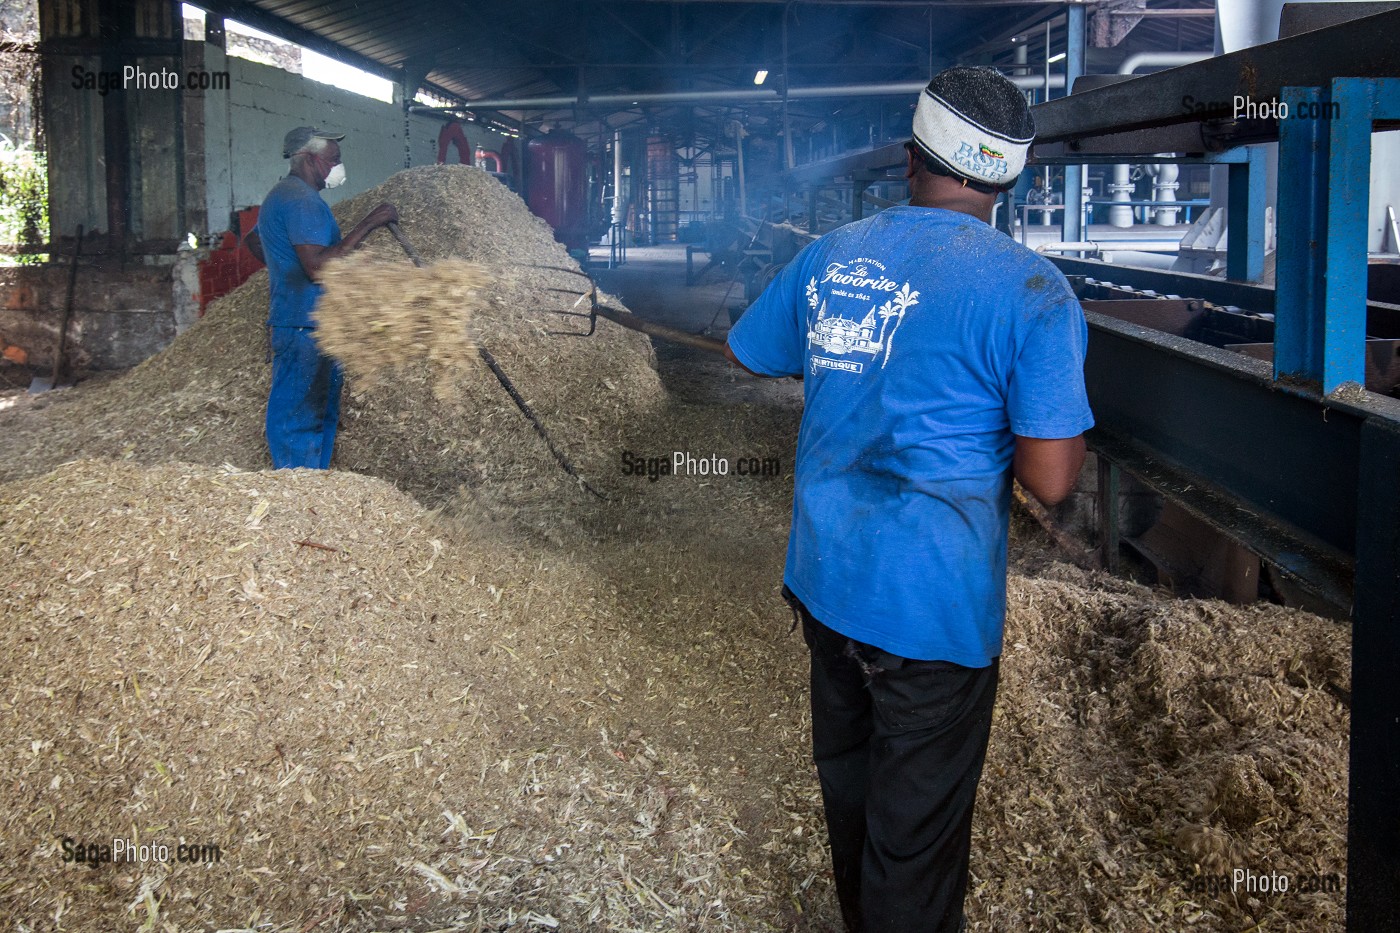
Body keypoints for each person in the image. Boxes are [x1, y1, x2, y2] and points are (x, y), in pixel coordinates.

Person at [723, 66, 1093, 932]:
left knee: (850, 790)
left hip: (827, 581)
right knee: (915, 842)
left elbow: (748, 352)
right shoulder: (1034, 292)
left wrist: (847, 356)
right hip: (932, 608)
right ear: (1009, 177)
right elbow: (1051, 478)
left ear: (909, 155)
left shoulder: (834, 253)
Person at [244, 126, 398, 469]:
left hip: (305, 320)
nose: (338, 167)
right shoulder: (302, 201)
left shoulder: (281, 195)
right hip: (305, 325)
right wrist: (369, 223)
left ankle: (313, 483)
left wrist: (285, 269)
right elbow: (317, 268)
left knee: (314, 406)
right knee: (301, 412)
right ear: (310, 160)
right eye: (334, 160)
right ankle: (299, 486)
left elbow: (254, 241)